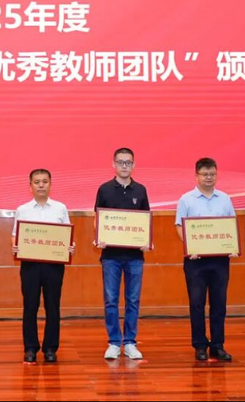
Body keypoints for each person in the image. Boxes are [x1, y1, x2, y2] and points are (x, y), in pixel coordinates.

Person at [175, 157, 235, 361]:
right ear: (197, 176)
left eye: (212, 174)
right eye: (205, 174)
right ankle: (200, 345)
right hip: (195, 260)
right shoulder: (186, 199)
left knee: (219, 303)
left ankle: (218, 345)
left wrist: (231, 246)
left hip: (220, 260)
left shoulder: (225, 198)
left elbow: (230, 225)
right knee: (197, 304)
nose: (209, 177)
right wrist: (189, 246)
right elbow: (179, 226)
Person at [11, 169, 74, 363]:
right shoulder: (23, 209)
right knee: (30, 306)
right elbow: (15, 235)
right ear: (30, 185)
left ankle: (50, 348)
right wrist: (16, 246)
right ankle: (30, 348)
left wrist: (70, 246)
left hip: (54, 265)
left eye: (45, 181)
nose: (41, 185)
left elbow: (67, 235)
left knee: (52, 306)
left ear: (50, 184)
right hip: (30, 265)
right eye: (37, 182)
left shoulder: (60, 208)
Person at [94, 147, 151, 360]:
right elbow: (98, 218)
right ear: (114, 164)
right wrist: (99, 236)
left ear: (134, 165)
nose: (124, 166)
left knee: (133, 300)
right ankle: (113, 342)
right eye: (120, 162)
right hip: (110, 256)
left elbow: (145, 220)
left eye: (128, 162)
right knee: (111, 299)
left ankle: (129, 342)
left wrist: (146, 241)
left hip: (135, 256)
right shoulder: (104, 189)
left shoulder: (141, 190)